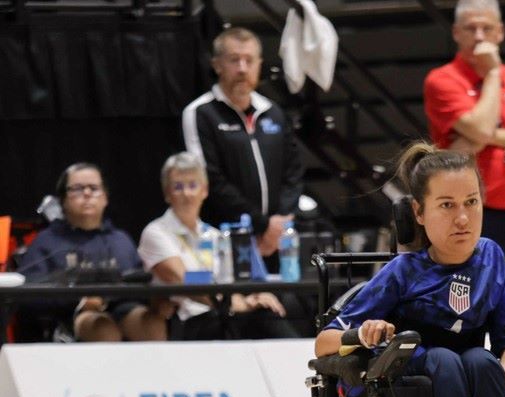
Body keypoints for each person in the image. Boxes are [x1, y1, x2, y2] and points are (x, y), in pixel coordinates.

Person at [315, 142, 505, 397]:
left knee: (480, 360)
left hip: (472, 376)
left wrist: (496, 386)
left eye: (471, 202)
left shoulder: (491, 257)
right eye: (446, 205)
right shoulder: (403, 271)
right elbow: (323, 343)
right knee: (445, 360)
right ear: (418, 212)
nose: (462, 218)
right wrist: (362, 333)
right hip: (413, 381)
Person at [423, 0, 505, 334]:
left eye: (487, 28)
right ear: (456, 33)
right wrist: (493, 74)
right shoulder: (443, 80)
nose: (479, 36)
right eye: (470, 28)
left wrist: (487, 138)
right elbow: (480, 128)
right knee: (465, 311)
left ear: (501, 32)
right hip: (470, 215)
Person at [138, 152, 300, 340]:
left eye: (192, 185)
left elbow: (231, 280)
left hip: (224, 313)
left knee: (279, 307)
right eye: (178, 186)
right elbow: (183, 278)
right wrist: (238, 303)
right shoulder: (156, 231)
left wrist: (255, 297)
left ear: (204, 190)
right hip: (189, 320)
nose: (186, 193)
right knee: (260, 320)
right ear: (167, 193)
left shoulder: (215, 235)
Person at [182, 27, 304, 258]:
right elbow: (209, 179)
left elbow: (294, 173)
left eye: (249, 60)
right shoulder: (200, 113)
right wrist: (262, 224)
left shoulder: (273, 112)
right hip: (224, 239)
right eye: (234, 60)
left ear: (259, 64)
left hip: (277, 240)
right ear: (217, 65)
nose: (242, 68)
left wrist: (279, 225)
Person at [18, 163, 168, 343]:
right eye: (77, 189)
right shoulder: (47, 241)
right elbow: (26, 294)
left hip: (122, 308)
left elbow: (139, 283)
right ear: (63, 199)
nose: (87, 194)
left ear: (105, 197)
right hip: (70, 315)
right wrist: (78, 301)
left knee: (152, 325)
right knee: (101, 327)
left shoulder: (120, 239)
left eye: (94, 188)